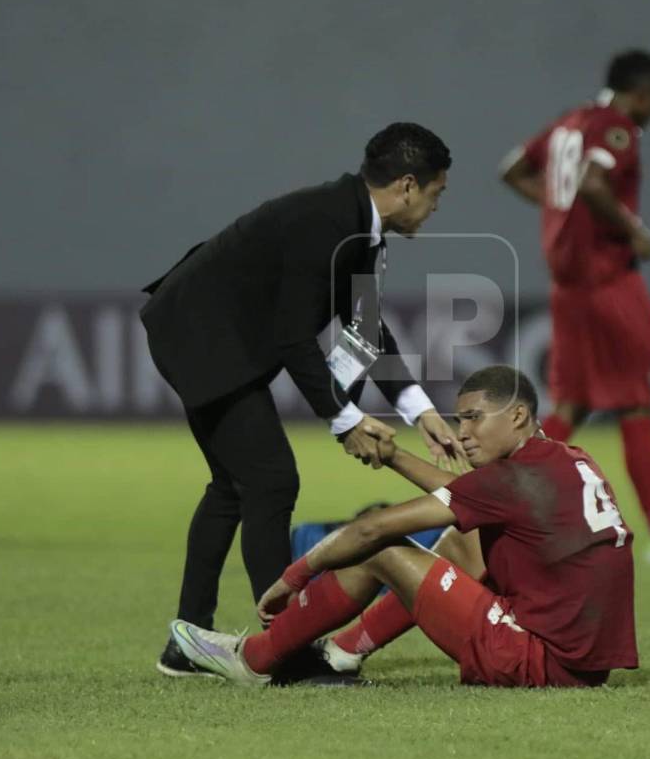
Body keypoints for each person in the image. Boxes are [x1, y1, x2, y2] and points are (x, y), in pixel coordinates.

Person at [140, 123, 464, 676]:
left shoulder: (358, 228)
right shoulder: (328, 223)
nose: (436, 208)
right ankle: (286, 651)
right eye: (437, 193)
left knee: (233, 486)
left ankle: (186, 641)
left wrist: (420, 410)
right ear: (409, 186)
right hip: (200, 337)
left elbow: (365, 329)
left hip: (201, 331)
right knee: (271, 480)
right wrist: (347, 420)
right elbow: (294, 335)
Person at [167, 365, 638, 688]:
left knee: (384, 549)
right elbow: (468, 496)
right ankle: (342, 653)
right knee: (463, 541)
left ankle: (255, 659)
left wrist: (295, 576)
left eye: (474, 418)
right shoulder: (562, 460)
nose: (464, 433)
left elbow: (372, 530)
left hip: (540, 660)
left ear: (517, 415)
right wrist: (391, 456)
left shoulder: (513, 480)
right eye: (460, 420)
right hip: (582, 663)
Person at [499, 49, 650, 567]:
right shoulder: (616, 128)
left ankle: (491, 501)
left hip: (566, 286)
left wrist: (557, 206)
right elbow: (596, 183)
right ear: (643, 94)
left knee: (569, 408)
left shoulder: (567, 123)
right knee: (636, 402)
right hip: (609, 282)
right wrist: (634, 229)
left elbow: (512, 169)